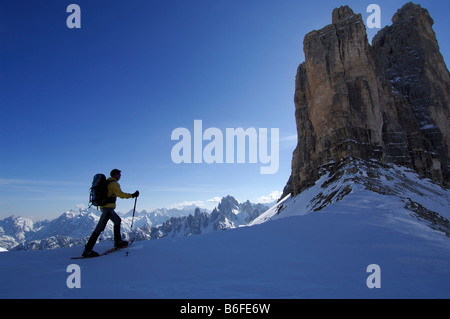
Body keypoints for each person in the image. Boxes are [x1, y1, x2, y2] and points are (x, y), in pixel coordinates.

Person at [82, 169, 139, 257]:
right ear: (115, 175)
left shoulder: (107, 182)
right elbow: (121, 195)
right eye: (119, 175)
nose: (120, 176)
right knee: (99, 228)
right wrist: (132, 195)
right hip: (107, 209)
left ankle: (118, 242)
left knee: (117, 221)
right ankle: (87, 251)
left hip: (107, 208)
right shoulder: (114, 183)